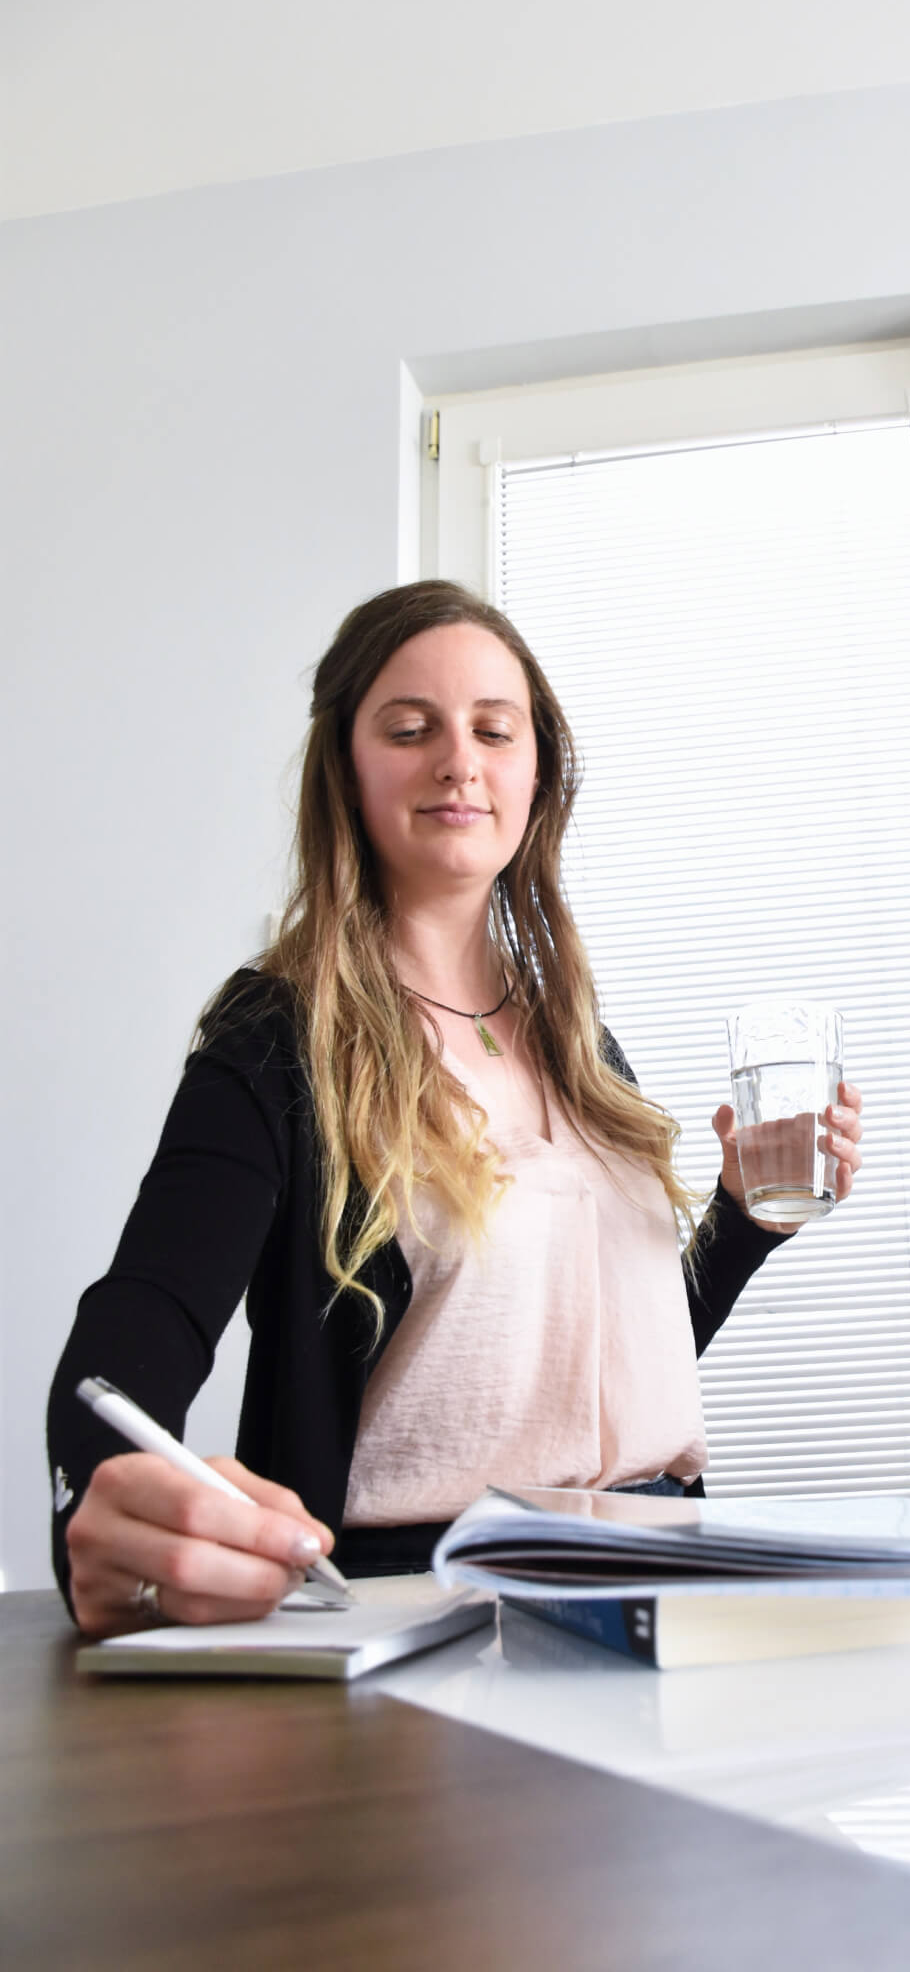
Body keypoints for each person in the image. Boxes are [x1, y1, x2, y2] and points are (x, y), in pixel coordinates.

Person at [47, 581, 863, 1638]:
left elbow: (597, 1361)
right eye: (409, 727)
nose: (458, 760)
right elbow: (142, 1315)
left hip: (665, 1570)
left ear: (536, 771)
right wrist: (102, 1498)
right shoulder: (277, 1034)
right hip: (431, 1601)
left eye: (493, 728)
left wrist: (746, 1218)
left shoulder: (576, 1042)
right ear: (345, 766)